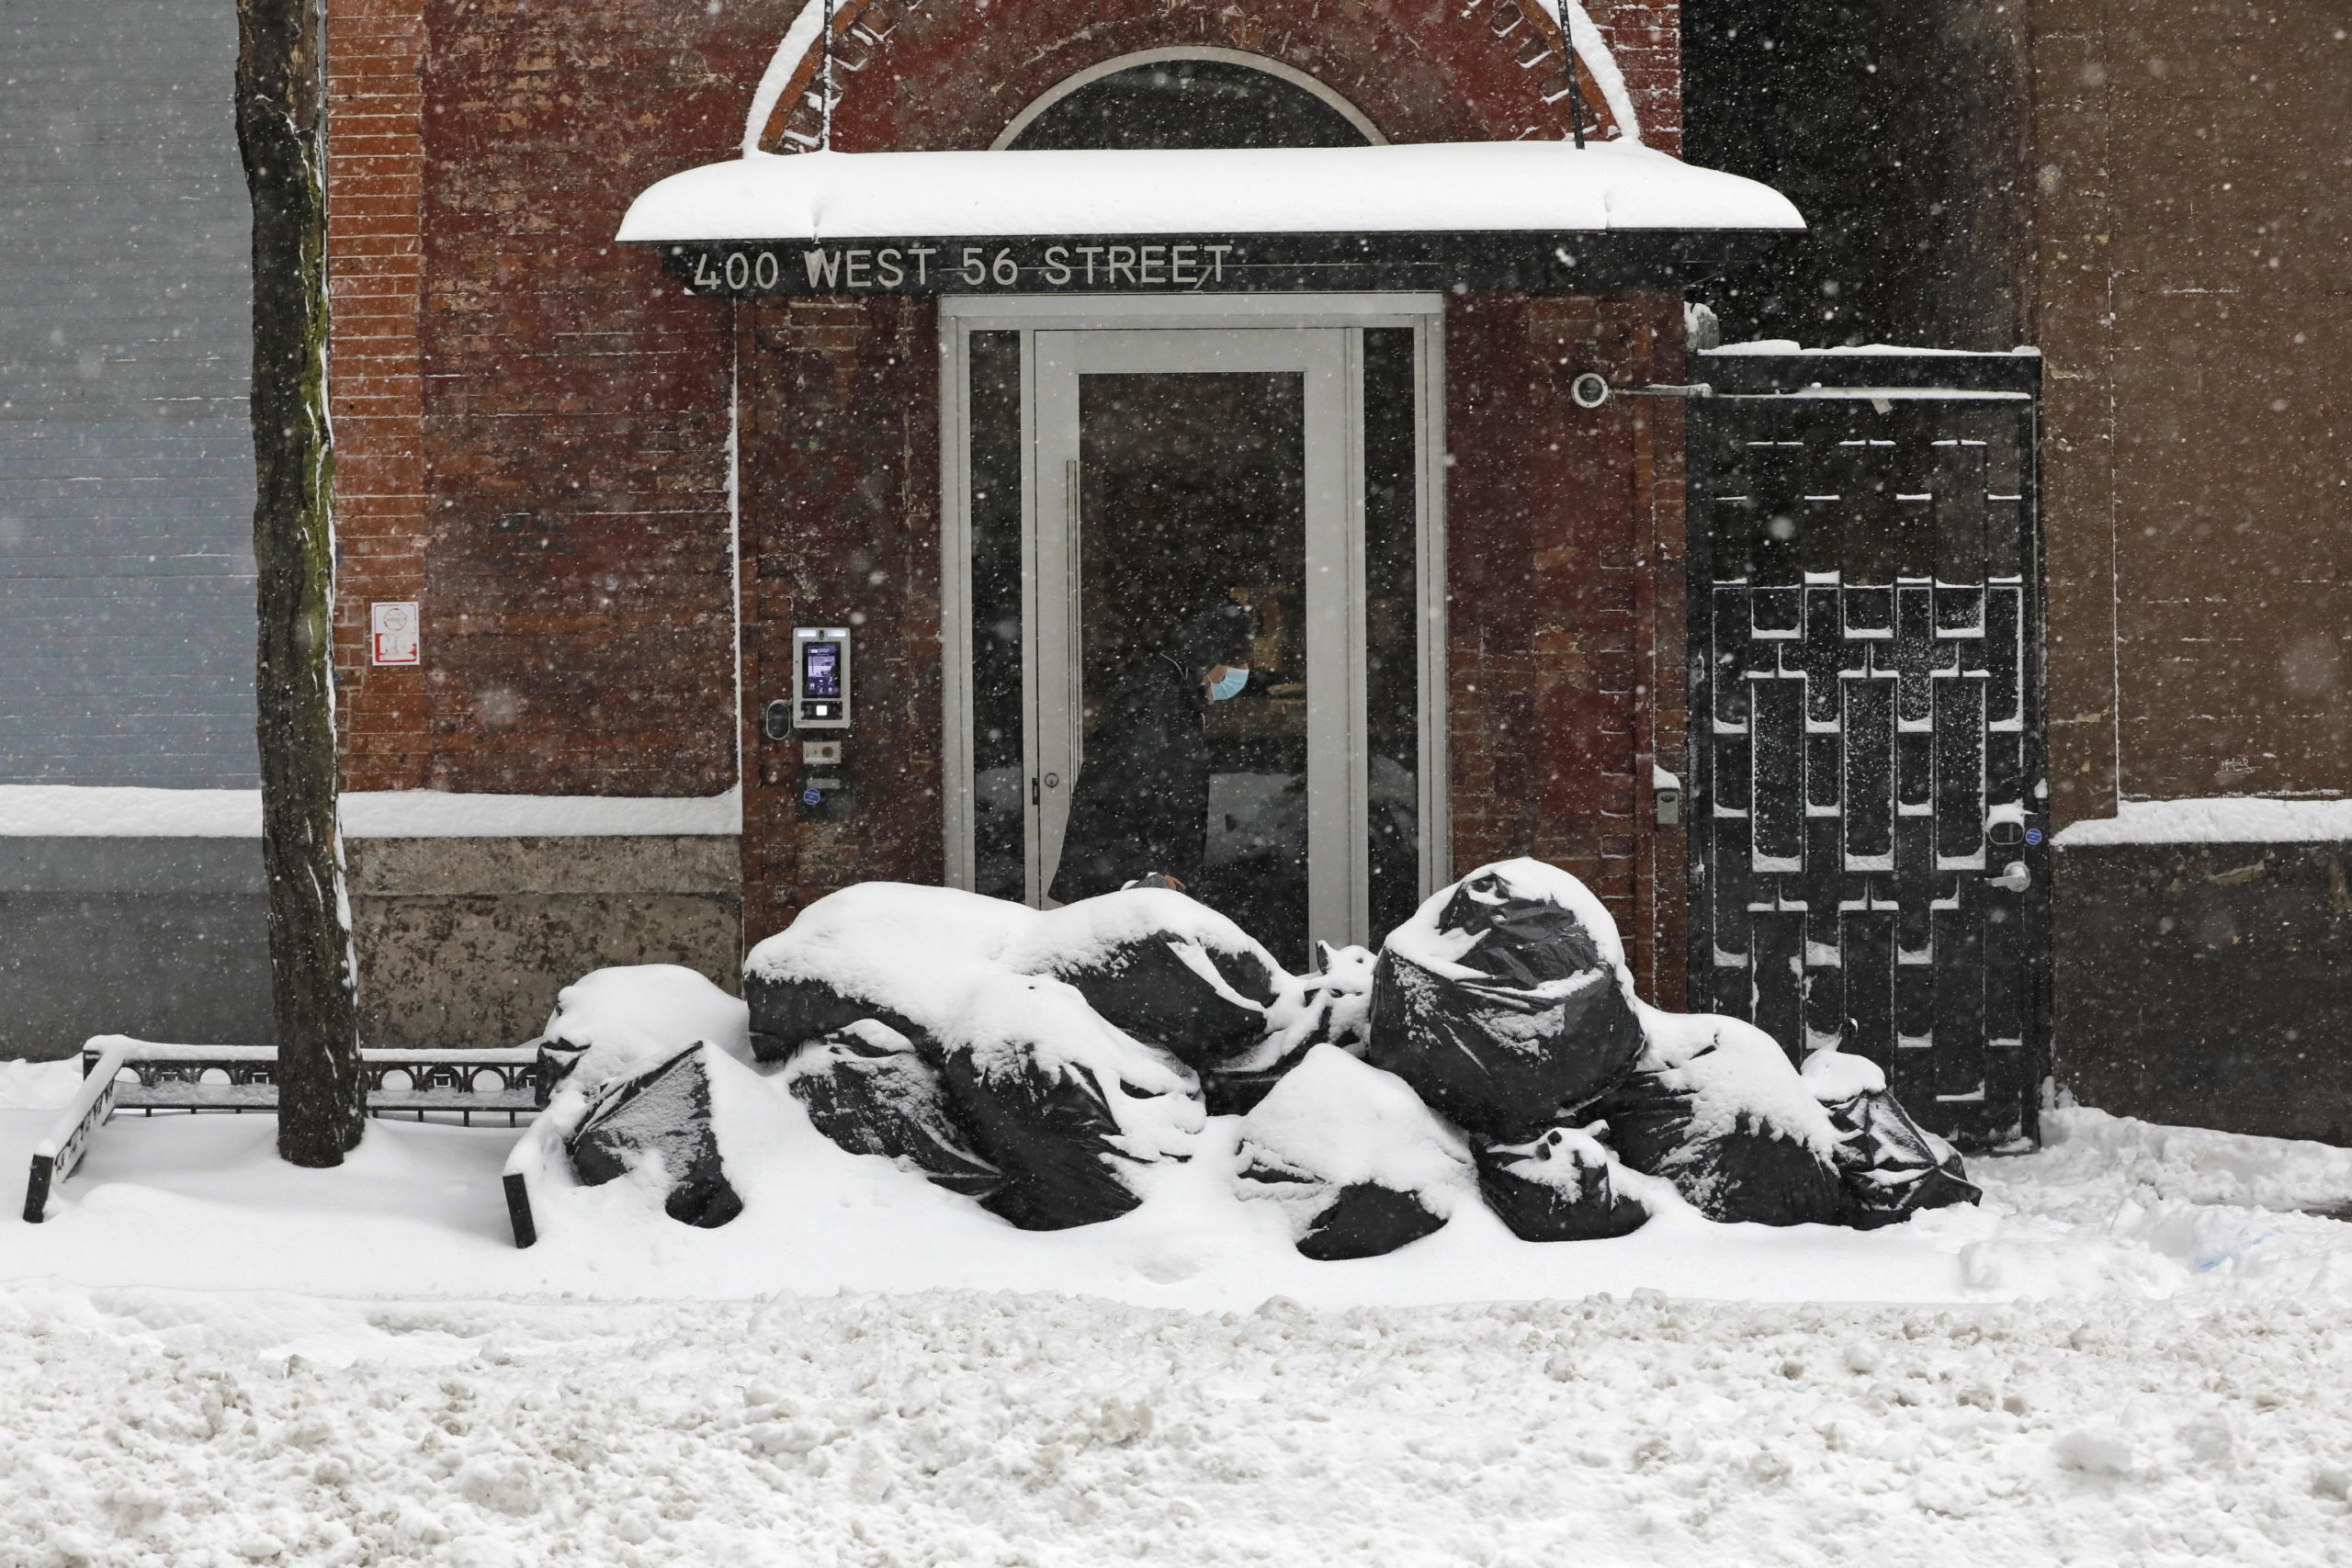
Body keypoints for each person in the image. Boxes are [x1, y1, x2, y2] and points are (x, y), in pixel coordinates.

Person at [1048, 600, 1252, 903]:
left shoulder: (1177, 693)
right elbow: (1114, 794)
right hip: (1135, 883)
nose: (1238, 677)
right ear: (1211, 656)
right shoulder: (1156, 699)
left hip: (1152, 878)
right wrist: (1143, 873)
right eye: (1234, 668)